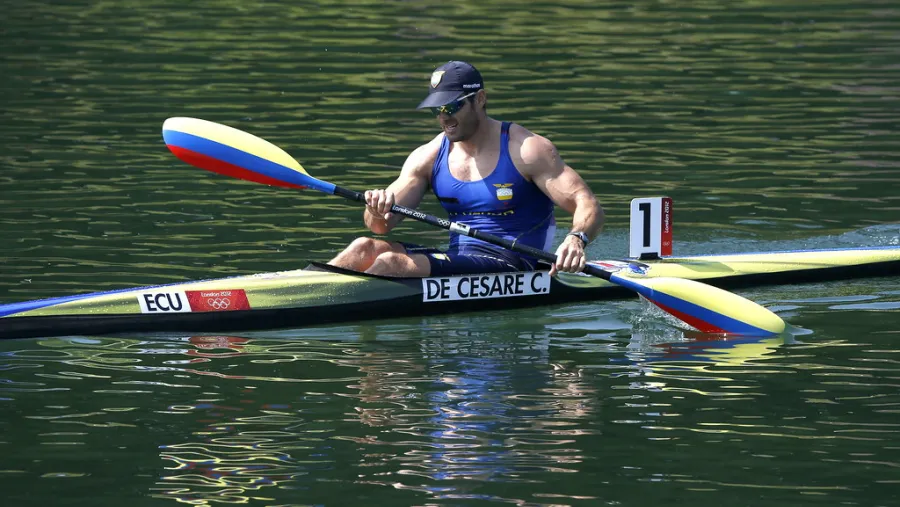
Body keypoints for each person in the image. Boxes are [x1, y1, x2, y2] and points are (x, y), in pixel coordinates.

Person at [328, 60, 604, 277]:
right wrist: (375, 209)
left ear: (480, 99)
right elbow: (381, 227)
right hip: (462, 259)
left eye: (451, 106)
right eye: (436, 109)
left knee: (391, 262)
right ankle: (300, 293)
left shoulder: (526, 149)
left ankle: (334, 311)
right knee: (363, 247)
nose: (444, 118)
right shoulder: (427, 156)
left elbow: (587, 203)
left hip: (515, 264)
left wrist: (576, 239)